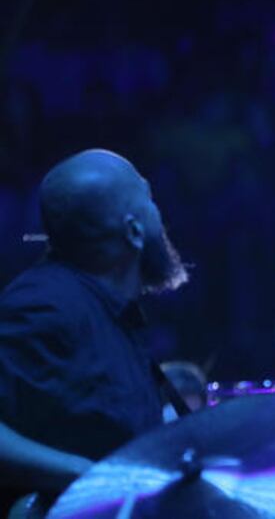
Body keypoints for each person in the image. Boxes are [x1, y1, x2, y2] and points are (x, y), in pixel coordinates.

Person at [0, 149, 189, 514]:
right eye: (149, 199)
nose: (160, 214)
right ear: (134, 232)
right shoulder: (44, 305)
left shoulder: (105, 311)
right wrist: (83, 474)